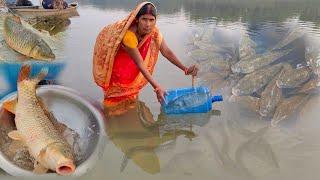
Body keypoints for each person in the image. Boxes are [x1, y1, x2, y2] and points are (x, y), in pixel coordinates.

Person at [93, 2, 198, 114]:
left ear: (155, 20)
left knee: (131, 101)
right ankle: (109, 121)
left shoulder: (154, 32)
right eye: (144, 19)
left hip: (133, 69)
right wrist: (157, 87)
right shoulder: (129, 36)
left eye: (151, 20)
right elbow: (140, 64)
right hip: (119, 70)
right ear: (137, 19)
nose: (148, 24)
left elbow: (166, 51)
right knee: (113, 105)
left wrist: (185, 69)